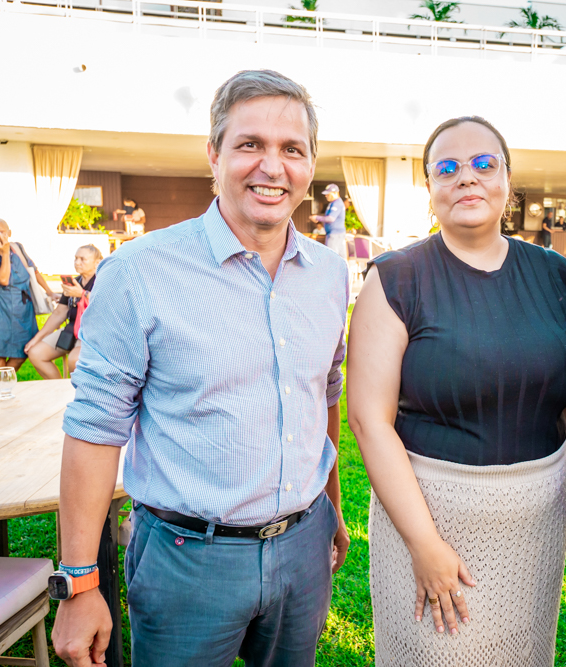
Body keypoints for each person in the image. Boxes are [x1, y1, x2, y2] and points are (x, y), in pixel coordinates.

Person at [51, 69, 351, 667]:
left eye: (292, 149)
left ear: (311, 164)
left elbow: (324, 394)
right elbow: (94, 428)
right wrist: (79, 585)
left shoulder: (329, 274)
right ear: (214, 154)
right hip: (187, 561)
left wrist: (332, 505)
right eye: (250, 144)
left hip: (305, 548)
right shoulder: (138, 272)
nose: (272, 167)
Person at [347, 116, 566, 666]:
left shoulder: (555, 275)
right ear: (430, 187)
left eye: (483, 164)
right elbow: (368, 421)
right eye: (447, 168)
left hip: (535, 529)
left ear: (507, 180)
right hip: (432, 525)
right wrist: (424, 544)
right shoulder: (396, 278)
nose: (466, 178)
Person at [0, 217, 56, 378]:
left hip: (22, 307)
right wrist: (5, 253)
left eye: (2, 232)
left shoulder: (17, 248)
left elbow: (33, 271)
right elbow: (3, 279)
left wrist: (49, 291)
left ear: (9, 233)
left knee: (23, 351)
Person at [24, 244, 103, 379]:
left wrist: (83, 294)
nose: (77, 262)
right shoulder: (74, 282)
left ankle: (77, 391)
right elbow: (59, 314)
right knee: (36, 353)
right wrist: (36, 339)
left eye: (83, 259)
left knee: (74, 360)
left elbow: (107, 305)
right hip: (72, 329)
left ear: (97, 262)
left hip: (93, 332)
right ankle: (60, 388)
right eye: (76, 258)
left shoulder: (102, 281)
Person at [309, 183, 346, 256]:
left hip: (335, 234)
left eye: (328, 194)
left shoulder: (337, 203)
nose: (326, 196)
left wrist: (317, 217)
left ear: (335, 193)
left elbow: (331, 218)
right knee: (337, 257)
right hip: (333, 234)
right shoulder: (333, 203)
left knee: (332, 256)